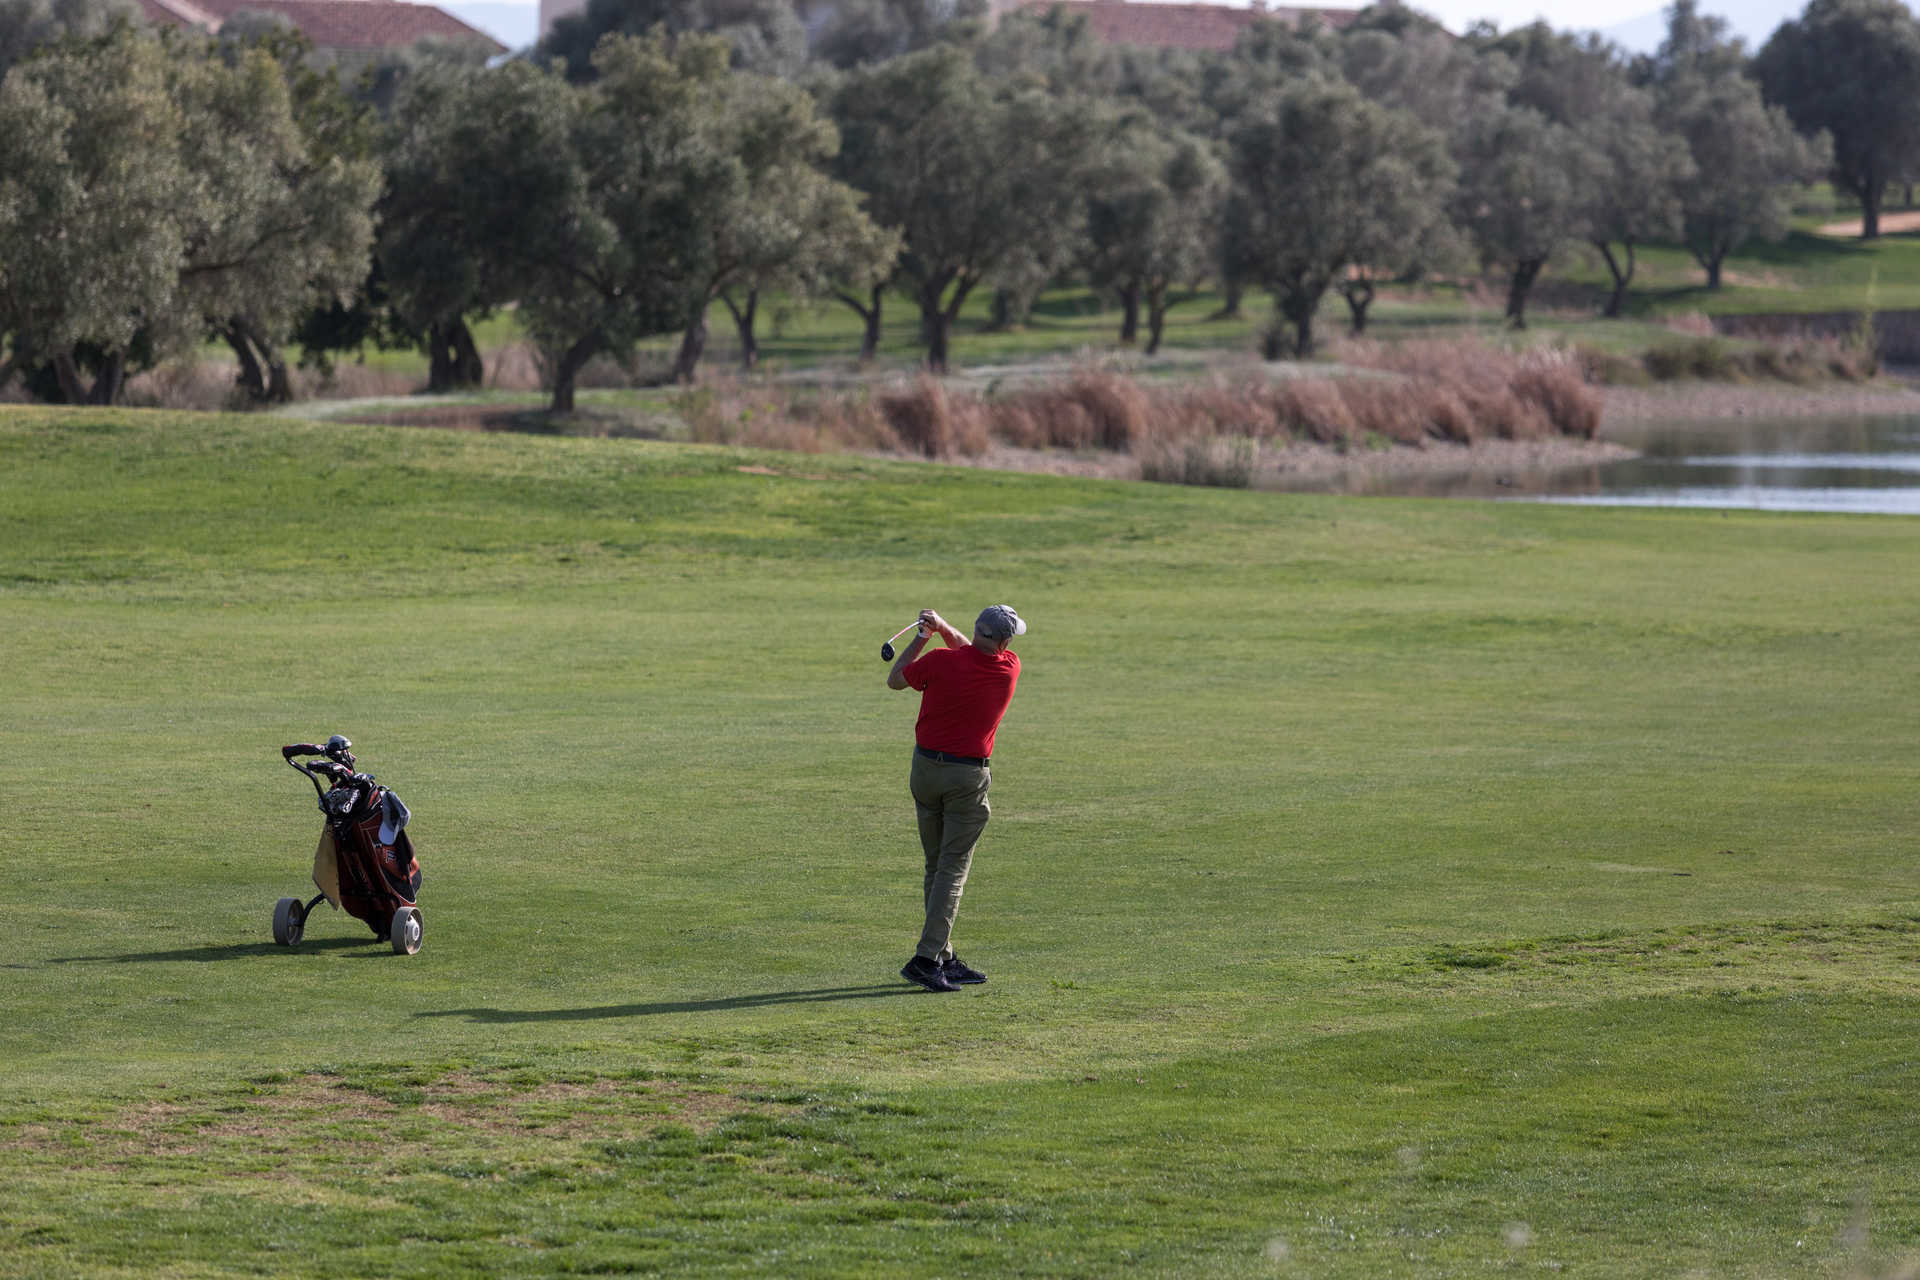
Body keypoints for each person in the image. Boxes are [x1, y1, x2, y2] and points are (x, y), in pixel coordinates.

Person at [886, 603, 1026, 992]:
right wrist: (944, 629)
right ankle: (925, 959)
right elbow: (972, 651)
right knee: (951, 870)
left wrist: (923, 636)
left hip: (925, 770)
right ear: (1005, 641)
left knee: (936, 866)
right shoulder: (1007, 667)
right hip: (967, 778)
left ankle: (944, 955)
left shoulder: (941, 661)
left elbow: (896, 680)